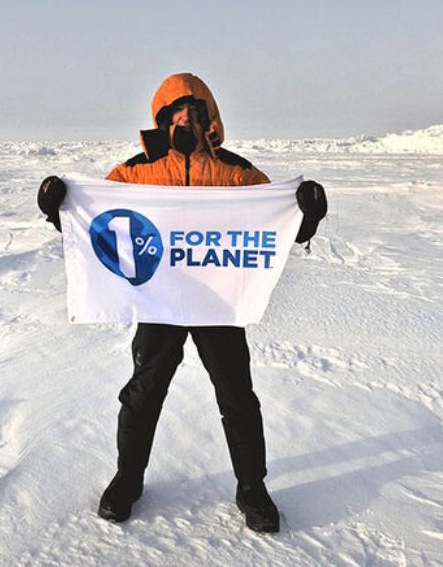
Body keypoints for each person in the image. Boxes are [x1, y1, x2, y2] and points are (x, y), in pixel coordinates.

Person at [37, 73, 327, 533]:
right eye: (175, 113)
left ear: (211, 116)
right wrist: (59, 208)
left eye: (194, 112)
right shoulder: (137, 172)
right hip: (159, 303)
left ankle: (252, 487)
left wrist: (306, 214)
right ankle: (128, 479)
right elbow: (98, 226)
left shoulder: (237, 173)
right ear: (160, 118)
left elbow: (276, 228)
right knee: (143, 393)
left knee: (237, 396)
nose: (185, 121)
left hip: (218, 305)